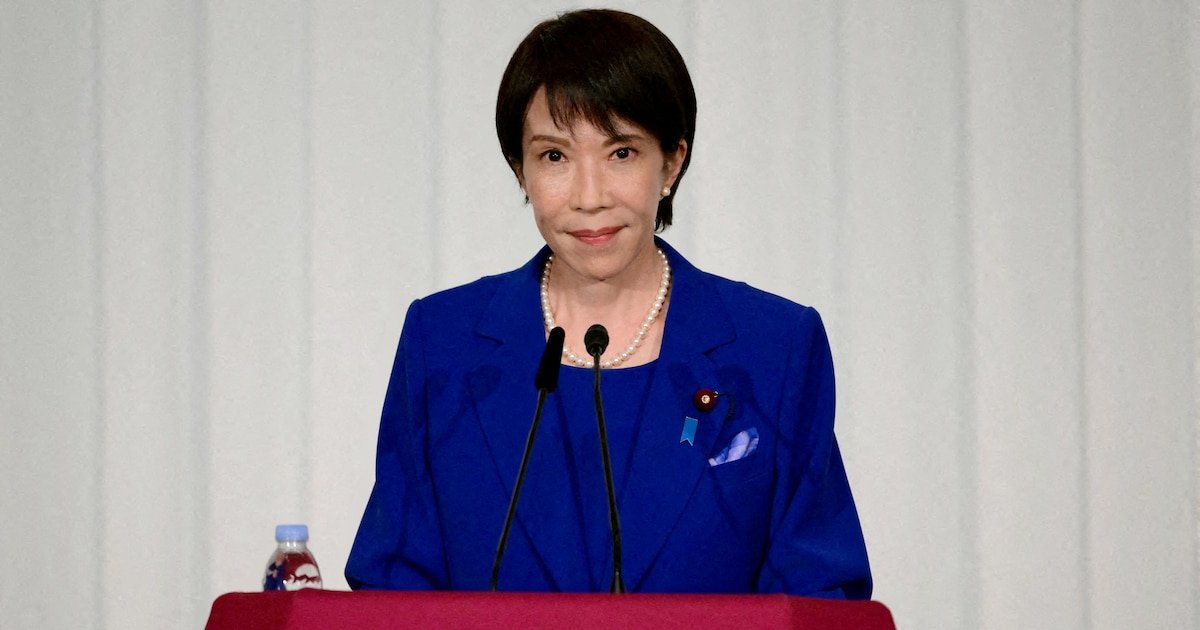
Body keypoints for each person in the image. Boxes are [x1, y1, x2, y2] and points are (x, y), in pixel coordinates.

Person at [346, 8, 871, 597]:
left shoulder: (774, 347)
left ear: (671, 161)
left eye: (621, 152)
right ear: (520, 170)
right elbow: (393, 587)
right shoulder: (443, 341)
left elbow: (819, 591)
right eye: (554, 156)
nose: (589, 196)